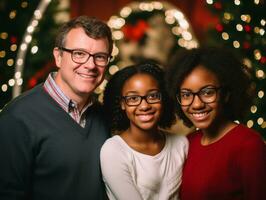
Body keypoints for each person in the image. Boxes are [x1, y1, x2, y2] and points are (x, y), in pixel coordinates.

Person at [0, 16, 113, 199]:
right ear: (58, 57)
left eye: (100, 57)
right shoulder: (17, 118)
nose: (90, 65)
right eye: (79, 53)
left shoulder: (104, 116)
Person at [166, 47, 266, 200]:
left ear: (225, 94)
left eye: (207, 92)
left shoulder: (248, 145)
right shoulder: (188, 142)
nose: (197, 104)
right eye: (186, 95)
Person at [100, 63, 188, 200]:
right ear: (122, 104)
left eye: (153, 96)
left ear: (163, 98)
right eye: (133, 98)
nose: (145, 106)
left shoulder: (181, 144)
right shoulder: (113, 150)